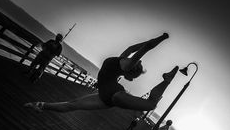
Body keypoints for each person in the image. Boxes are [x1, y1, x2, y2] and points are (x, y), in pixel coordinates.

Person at [24, 33, 178, 113]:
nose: (140, 61)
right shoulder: (125, 62)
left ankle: (167, 79)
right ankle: (41, 105)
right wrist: (157, 40)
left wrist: (162, 38)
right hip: (107, 97)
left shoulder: (124, 60)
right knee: (150, 105)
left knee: (72, 105)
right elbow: (140, 48)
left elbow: (142, 47)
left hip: (107, 94)